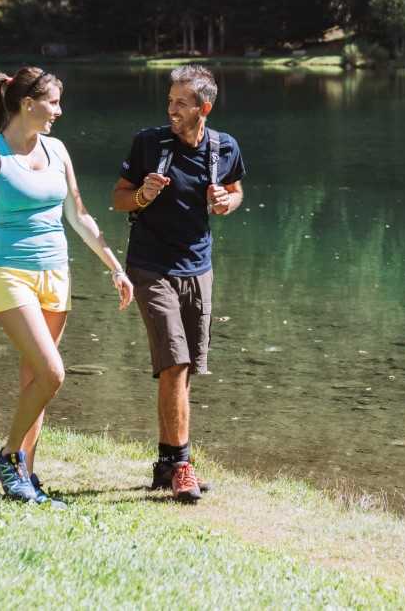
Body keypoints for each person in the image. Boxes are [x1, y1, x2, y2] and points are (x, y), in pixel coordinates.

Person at [0, 66, 133, 506]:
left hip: (56, 275)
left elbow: (79, 216)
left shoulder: (58, 151)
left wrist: (114, 266)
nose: (58, 110)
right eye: (52, 102)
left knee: (37, 380)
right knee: (53, 372)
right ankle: (8, 456)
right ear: (27, 103)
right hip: (9, 274)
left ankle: (26, 480)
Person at [112, 65, 245, 503]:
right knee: (174, 363)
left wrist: (227, 202)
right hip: (150, 265)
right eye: (170, 101)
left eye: (181, 103)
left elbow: (235, 189)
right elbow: (119, 198)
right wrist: (143, 196)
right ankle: (183, 466)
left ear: (203, 108)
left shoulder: (224, 147)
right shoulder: (149, 144)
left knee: (184, 370)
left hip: (198, 267)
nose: (172, 109)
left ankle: (166, 464)